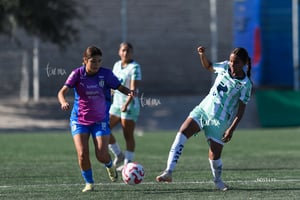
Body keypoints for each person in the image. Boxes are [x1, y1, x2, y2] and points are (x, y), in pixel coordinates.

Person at [156, 46, 252, 191]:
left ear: (244, 63)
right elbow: (208, 66)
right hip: (203, 110)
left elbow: (241, 110)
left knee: (214, 155)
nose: (232, 64)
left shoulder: (245, 85)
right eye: (232, 61)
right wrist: (202, 55)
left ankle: (218, 181)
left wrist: (231, 129)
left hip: (219, 121)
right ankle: (168, 172)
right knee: (182, 133)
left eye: (236, 62)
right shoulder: (224, 66)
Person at [57, 45, 133, 192]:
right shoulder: (77, 74)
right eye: (93, 61)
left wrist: (129, 92)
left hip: (100, 120)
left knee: (101, 155)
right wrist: (63, 102)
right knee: (82, 153)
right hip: (79, 120)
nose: (97, 64)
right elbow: (62, 91)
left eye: (99, 61)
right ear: (85, 60)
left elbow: (119, 87)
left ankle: (110, 165)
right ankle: (89, 183)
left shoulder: (106, 74)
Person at [108, 42, 142, 171]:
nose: (125, 53)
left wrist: (126, 104)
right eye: (123, 50)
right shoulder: (117, 65)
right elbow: (113, 84)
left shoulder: (135, 67)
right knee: (104, 127)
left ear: (131, 52)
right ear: (119, 52)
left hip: (129, 105)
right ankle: (118, 154)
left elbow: (133, 89)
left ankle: (128, 165)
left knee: (127, 135)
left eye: (128, 51)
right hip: (116, 104)